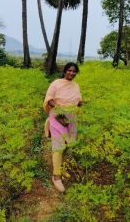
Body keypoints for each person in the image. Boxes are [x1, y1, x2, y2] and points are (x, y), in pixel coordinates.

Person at [43, 62, 82, 192]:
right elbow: (49, 99)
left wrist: (81, 103)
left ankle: (61, 167)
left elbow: (77, 100)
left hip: (71, 119)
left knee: (67, 145)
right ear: (65, 71)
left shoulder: (75, 85)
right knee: (58, 147)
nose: (71, 73)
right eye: (69, 71)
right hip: (57, 117)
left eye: (74, 71)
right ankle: (56, 176)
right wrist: (60, 110)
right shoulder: (56, 83)